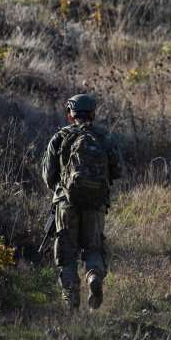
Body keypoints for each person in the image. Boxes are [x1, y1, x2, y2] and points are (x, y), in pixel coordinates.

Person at [41, 93, 122, 311]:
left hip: (66, 205)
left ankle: (71, 302)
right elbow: (118, 170)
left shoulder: (59, 138)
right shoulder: (105, 138)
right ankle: (94, 276)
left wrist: (63, 190)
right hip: (96, 204)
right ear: (93, 114)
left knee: (66, 255)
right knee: (94, 249)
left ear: (70, 115)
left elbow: (49, 176)